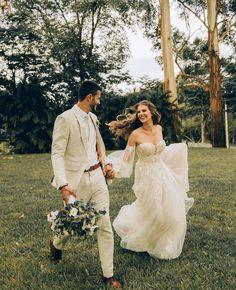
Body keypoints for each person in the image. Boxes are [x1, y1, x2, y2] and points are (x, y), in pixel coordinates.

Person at [50, 81, 122, 289]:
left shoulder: (93, 118)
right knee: (72, 225)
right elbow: (57, 153)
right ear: (89, 97)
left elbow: (99, 146)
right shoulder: (65, 119)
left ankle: (108, 274)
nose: (99, 101)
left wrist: (106, 164)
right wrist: (63, 184)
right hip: (76, 182)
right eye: (98, 97)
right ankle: (55, 244)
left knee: (104, 224)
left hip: (97, 178)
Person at [108, 100, 194, 260]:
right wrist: (116, 171)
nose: (141, 114)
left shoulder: (159, 128)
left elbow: (160, 151)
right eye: (139, 111)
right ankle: (145, 239)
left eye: (144, 111)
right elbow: (127, 159)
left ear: (151, 112)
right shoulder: (135, 135)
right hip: (146, 176)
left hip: (163, 173)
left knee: (172, 211)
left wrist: (178, 152)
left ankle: (165, 242)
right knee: (154, 212)